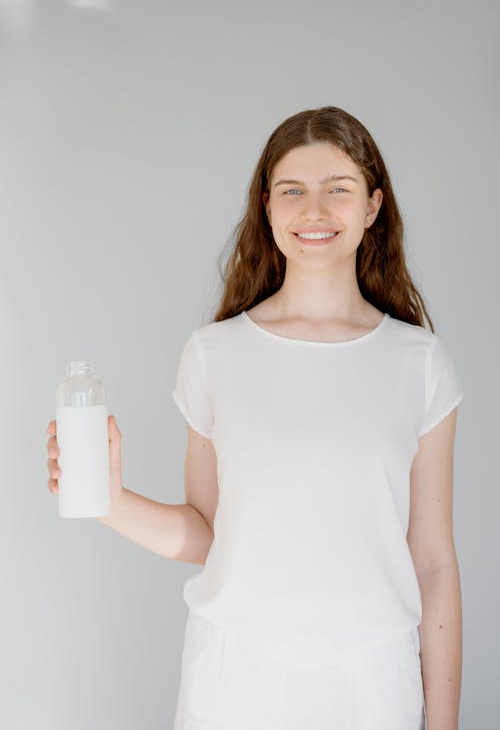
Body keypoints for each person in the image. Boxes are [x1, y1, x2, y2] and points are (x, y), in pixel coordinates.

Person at [46, 105, 464, 729]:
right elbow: (211, 534)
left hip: (373, 684)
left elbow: (433, 563)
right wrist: (107, 501)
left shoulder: (421, 364)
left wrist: (444, 722)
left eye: (338, 190)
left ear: (373, 207)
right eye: (293, 191)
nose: (314, 210)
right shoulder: (214, 355)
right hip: (235, 681)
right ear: (267, 207)